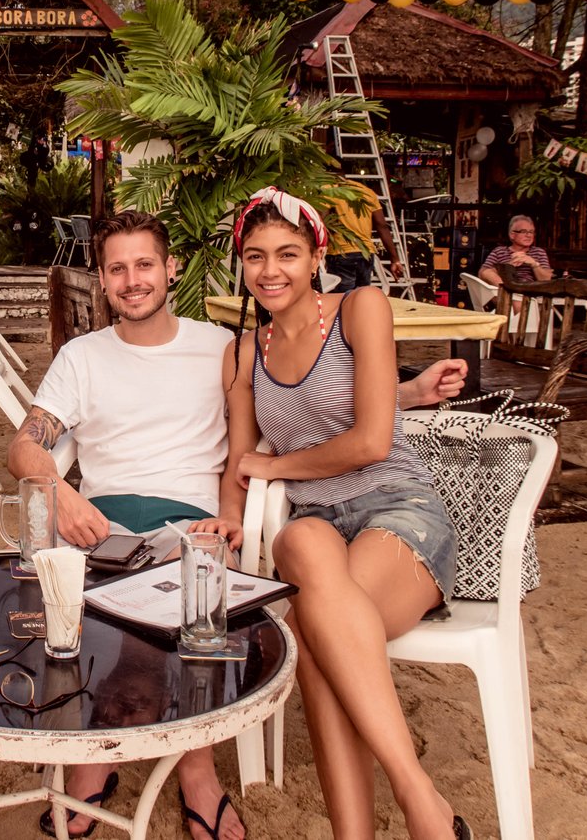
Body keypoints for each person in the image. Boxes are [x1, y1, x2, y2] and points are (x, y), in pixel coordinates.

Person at [7, 208, 466, 840]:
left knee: (224, 592)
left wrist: (229, 514)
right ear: (102, 279)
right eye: (118, 268)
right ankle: (93, 759)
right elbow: (25, 446)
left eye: (145, 264)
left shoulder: (220, 348)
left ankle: (200, 775)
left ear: (172, 269)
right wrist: (60, 492)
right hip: (109, 523)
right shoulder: (85, 356)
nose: (133, 280)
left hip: (198, 528)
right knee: (73, 583)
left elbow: (309, 427)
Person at [220, 187, 469, 840]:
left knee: (313, 634)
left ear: (316, 255)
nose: (270, 270)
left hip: (397, 508)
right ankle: (427, 809)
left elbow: (371, 442)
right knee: (299, 537)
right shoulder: (249, 351)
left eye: (287, 253)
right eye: (255, 256)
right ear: (240, 263)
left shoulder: (362, 308)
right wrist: (225, 519)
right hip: (319, 529)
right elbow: (239, 462)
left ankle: (402, 808)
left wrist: (277, 467)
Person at [324, 179, 404, 290]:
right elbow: (382, 226)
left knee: (342, 300)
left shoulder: (329, 190)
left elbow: (322, 222)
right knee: (360, 298)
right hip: (365, 253)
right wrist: (395, 260)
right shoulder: (367, 192)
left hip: (341, 252)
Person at [479, 215, 554, 286]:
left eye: (531, 232)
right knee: (487, 272)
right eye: (523, 231)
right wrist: (508, 266)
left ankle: (514, 295)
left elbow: (546, 280)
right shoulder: (499, 251)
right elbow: (482, 274)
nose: (529, 235)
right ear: (512, 234)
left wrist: (534, 264)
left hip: (530, 292)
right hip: (504, 289)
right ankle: (511, 293)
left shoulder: (539, 252)